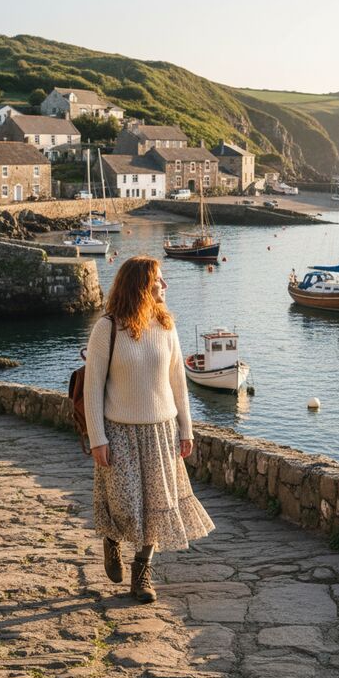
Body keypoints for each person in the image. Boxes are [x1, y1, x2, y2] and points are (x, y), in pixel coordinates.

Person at [84, 256, 214, 603]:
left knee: (156, 506)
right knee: (125, 504)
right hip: (119, 431)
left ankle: (142, 571)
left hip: (162, 430)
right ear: (141, 285)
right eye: (160, 280)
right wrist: (98, 438)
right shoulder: (107, 328)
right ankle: (111, 539)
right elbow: (92, 387)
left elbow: (178, 381)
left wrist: (186, 429)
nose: (165, 286)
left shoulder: (166, 325)